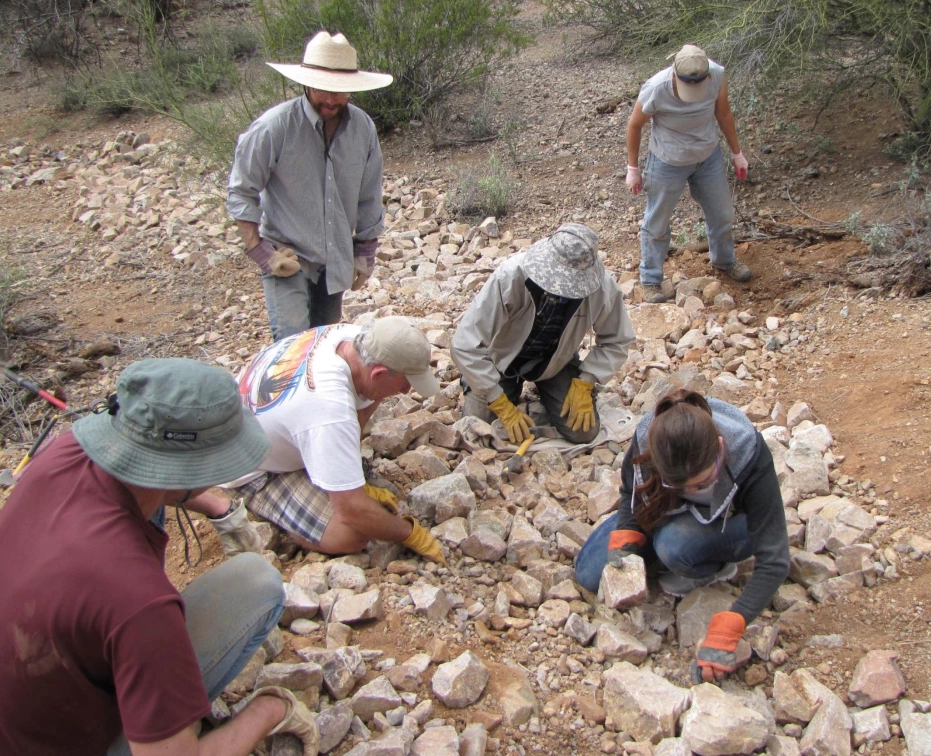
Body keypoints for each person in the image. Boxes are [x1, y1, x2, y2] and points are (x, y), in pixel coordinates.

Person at [0, 359, 319, 756]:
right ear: (184, 471)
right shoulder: (139, 602)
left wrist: (215, 505)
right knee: (258, 582)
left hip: (22, 701)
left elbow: (155, 479)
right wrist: (270, 711)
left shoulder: (66, 452)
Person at [575, 389, 789, 683]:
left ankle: (715, 564)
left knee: (673, 546)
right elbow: (630, 491)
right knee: (589, 573)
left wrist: (733, 622)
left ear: (720, 447)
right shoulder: (648, 439)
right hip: (668, 512)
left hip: (733, 523)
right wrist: (628, 532)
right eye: (679, 484)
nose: (692, 489)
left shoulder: (747, 450)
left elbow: (775, 559)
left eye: (701, 482)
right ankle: (670, 544)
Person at [198, 316, 445, 562]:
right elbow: (352, 511)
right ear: (379, 373)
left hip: (253, 417)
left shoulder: (355, 339)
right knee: (352, 535)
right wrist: (409, 533)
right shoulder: (329, 409)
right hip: (244, 463)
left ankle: (324, 471)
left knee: (370, 395)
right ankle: (281, 516)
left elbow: (369, 394)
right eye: (406, 383)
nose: (407, 391)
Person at [227, 31, 392, 341]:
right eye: (322, 90)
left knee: (325, 343)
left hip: (335, 258)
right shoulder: (273, 128)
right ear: (305, 83)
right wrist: (263, 254)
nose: (330, 100)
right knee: (292, 344)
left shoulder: (363, 128)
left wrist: (365, 251)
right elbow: (241, 191)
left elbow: (370, 195)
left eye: (340, 92)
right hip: (286, 254)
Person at [451, 223, 634, 445]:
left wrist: (587, 380)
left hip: (555, 362)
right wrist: (498, 402)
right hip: (500, 360)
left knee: (583, 432)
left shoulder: (603, 288)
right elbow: (465, 343)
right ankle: (489, 387)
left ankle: (544, 394)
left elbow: (617, 340)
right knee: (478, 428)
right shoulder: (509, 276)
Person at [625, 44, 753, 304]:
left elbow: (724, 113)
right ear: (675, 74)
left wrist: (737, 153)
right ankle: (650, 279)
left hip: (708, 157)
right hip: (667, 161)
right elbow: (635, 125)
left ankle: (724, 260)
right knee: (657, 221)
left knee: (722, 213)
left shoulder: (717, 75)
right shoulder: (656, 87)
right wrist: (633, 169)